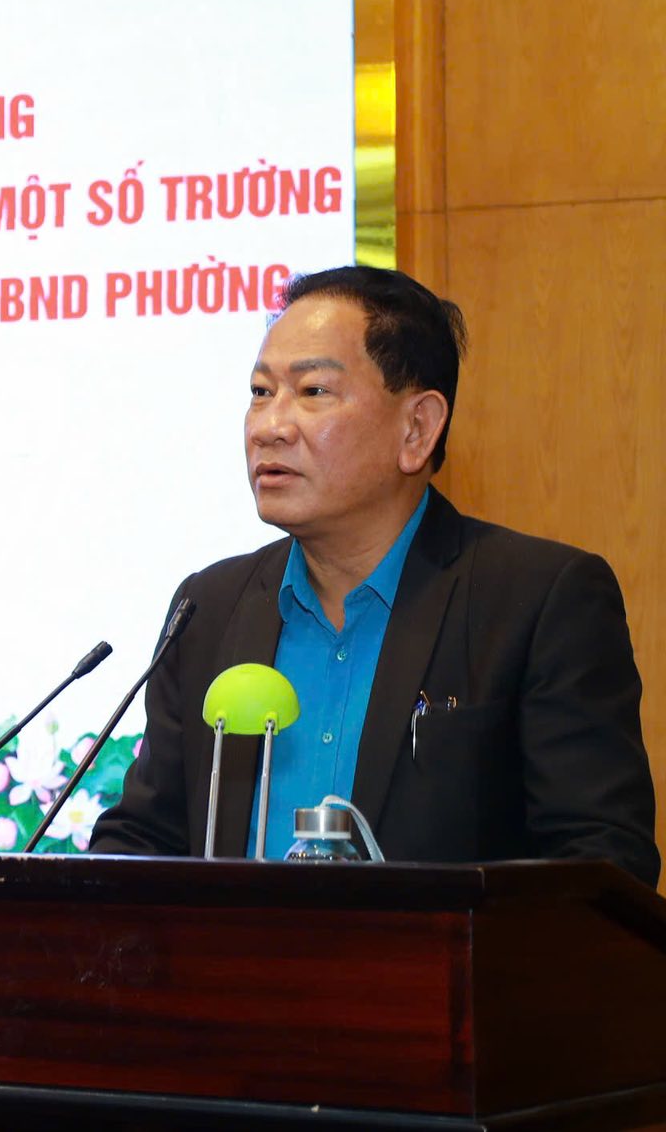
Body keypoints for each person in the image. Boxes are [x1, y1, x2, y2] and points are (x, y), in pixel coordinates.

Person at [90, 265, 657, 885]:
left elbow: (600, 872)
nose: (269, 426)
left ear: (417, 428)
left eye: (313, 391)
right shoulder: (210, 607)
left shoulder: (539, 601)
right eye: (260, 391)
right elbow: (143, 837)